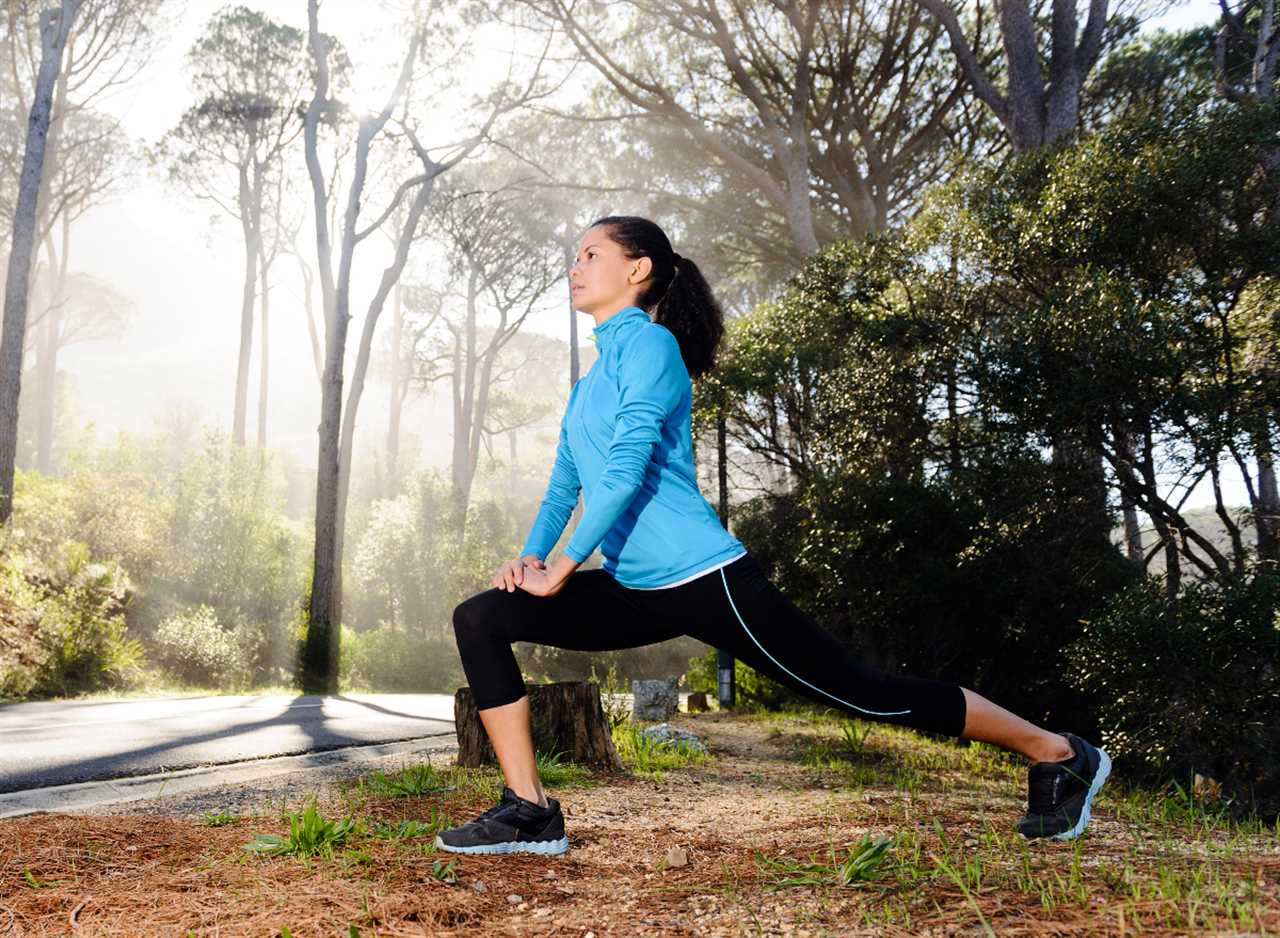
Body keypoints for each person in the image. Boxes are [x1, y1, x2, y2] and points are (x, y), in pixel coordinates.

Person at [434, 215, 1110, 857]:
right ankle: (528, 809)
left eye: (590, 255)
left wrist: (565, 564)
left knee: (862, 691)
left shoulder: (652, 348)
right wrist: (531, 555)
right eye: (575, 256)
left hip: (704, 579)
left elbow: (627, 465)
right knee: (483, 617)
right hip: (634, 586)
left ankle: (1058, 752)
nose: (573, 267)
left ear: (638, 269)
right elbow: (565, 483)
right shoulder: (589, 384)